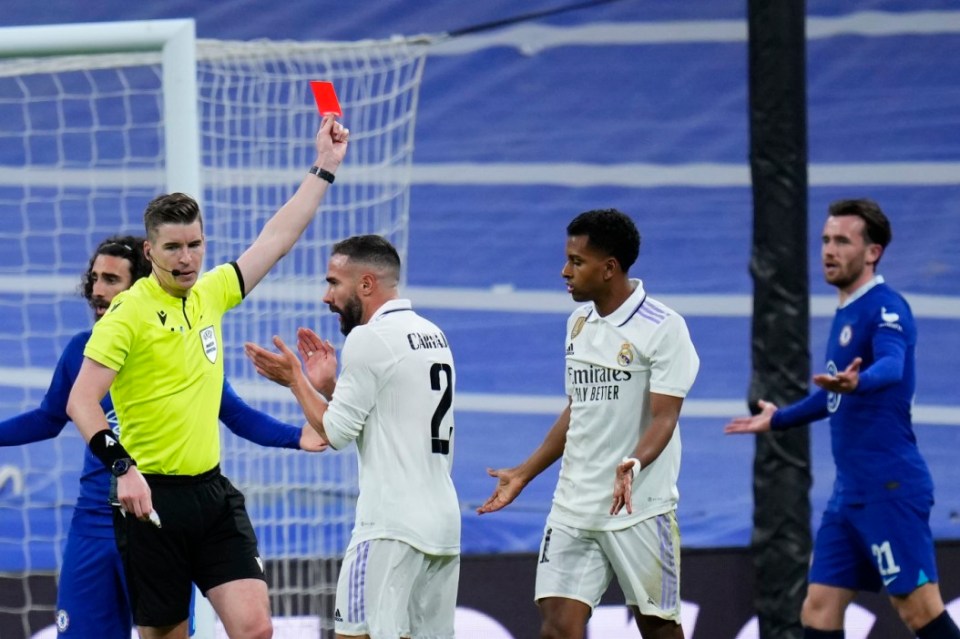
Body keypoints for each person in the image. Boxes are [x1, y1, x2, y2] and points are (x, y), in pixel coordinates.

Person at [65, 115, 349, 639]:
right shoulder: (127, 315)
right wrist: (123, 469)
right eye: (173, 247)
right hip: (153, 501)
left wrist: (324, 167)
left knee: (255, 628)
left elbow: (278, 237)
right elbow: (81, 404)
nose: (187, 257)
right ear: (149, 252)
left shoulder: (212, 292)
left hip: (212, 494)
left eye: (195, 244)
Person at [0, 235, 326, 639]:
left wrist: (296, 436)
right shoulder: (81, 352)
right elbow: (49, 418)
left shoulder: (181, 345)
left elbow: (234, 412)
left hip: (155, 519)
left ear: (139, 286)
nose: (98, 290)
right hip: (94, 523)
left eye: (111, 280)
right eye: (95, 278)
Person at [725, 199, 960, 639]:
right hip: (849, 494)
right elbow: (832, 396)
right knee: (818, 608)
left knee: (918, 610)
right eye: (826, 240)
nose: (829, 250)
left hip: (889, 487)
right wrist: (779, 420)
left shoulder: (887, 307)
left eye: (843, 241)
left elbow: (890, 365)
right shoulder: (846, 310)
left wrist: (860, 383)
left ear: (873, 252)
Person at [477, 208, 699, 639]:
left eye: (576, 262)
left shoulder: (664, 328)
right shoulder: (577, 323)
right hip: (574, 505)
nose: (565, 271)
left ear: (609, 268)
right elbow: (579, 408)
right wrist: (525, 472)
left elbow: (665, 417)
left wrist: (633, 463)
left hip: (639, 510)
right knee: (557, 628)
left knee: (658, 630)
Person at [244, 234, 460, 639]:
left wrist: (295, 381)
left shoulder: (368, 338)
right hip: (442, 527)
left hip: (388, 526)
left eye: (333, 283)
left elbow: (336, 433)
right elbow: (386, 415)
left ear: (365, 284)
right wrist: (330, 388)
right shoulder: (433, 335)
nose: (327, 296)